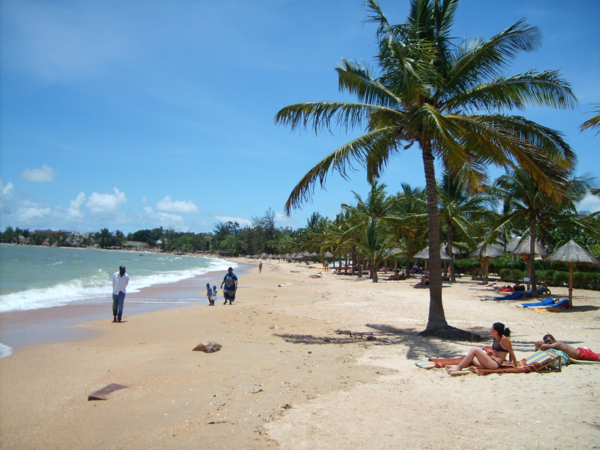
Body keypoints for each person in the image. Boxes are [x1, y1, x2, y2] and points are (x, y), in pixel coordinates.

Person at [446, 323, 519, 373]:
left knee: (474, 349)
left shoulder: (504, 339)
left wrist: (515, 366)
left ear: (495, 331)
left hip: (495, 364)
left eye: (491, 329)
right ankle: (460, 366)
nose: (490, 330)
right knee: (471, 357)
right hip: (490, 361)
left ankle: (459, 368)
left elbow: (511, 352)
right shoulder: (495, 338)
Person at [535, 334, 600, 362]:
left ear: (554, 339)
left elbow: (543, 346)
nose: (548, 343)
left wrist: (538, 344)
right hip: (579, 351)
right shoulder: (555, 345)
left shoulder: (558, 344)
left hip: (582, 354)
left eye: (549, 341)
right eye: (546, 342)